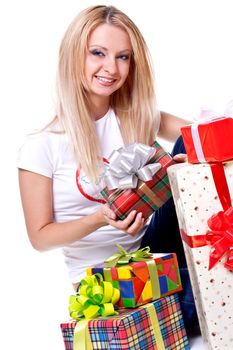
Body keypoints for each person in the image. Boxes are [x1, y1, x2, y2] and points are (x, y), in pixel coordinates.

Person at [17, 5, 198, 333]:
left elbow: (205, 136)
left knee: (191, 146)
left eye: (123, 57)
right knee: (211, 286)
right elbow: (40, 238)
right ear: (75, 55)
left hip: (154, 252)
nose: (110, 68)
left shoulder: (135, 115)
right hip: (107, 282)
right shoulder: (42, 145)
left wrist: (185, 173)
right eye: (97, 53)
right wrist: (100, 217)